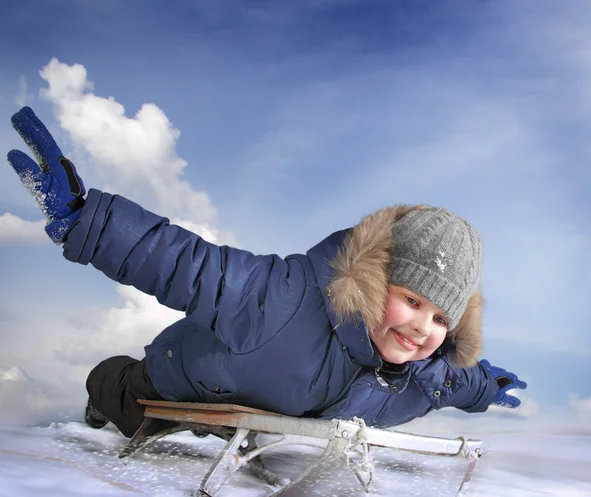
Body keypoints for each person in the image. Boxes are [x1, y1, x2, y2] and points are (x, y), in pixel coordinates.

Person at [7, 106, 527, 439]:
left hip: (259, 407)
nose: (421, 329)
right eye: (412, 301)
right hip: (184, 379)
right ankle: (100, 391)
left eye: (440, 319)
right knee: (127, 400)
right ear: (373, 280)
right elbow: (187, 263)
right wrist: (87, 221)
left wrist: (486, 385)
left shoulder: (425, 374)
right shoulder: (283, 300)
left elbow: (457, 380)